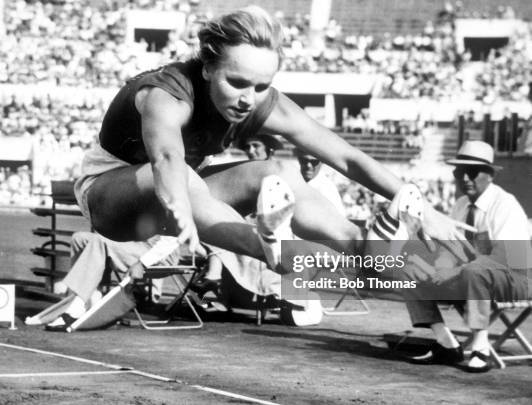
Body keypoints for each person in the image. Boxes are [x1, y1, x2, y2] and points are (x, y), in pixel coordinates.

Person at [74, 6, 472, 278]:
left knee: (277, 171)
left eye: (262, 86)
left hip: (186, 193)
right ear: (209, 67)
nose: (248, 97)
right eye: (238, 82)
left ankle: (365, 249)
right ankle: (270, 249)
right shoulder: (168, 93)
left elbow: (345, 157)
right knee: (188, 180)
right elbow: (166, 157)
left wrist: (421, 207)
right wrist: (178, 211)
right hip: (110, 197)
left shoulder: (260, 102)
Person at [402, 141, 531, 372]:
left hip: (517, 278)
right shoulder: (460, 204)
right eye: (460, 172)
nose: (465, 178)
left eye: (472, 172)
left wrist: (454, 271)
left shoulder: (505, 204)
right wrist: (440, 267)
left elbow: (506, 257)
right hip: (474, 278)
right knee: (411, 268)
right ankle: (446, 343)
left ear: (490, 175)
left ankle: (481, 347)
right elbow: (450, 249)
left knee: (474, 271)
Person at [44, 232, 181, 331]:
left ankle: (75, 309)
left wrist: (141, 263)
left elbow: (171, 241)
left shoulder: (167, 196)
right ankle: (91, 301)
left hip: (161, 253)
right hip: (137, 243)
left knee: (99, 242)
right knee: (79, 238)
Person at [294, 147, 346, 216]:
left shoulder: (327, 189)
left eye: (314, 162)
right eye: (304, 160)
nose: (308, 165)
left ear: (322, 162)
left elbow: (338, 219)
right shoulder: (292, 179)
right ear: (299, 160)